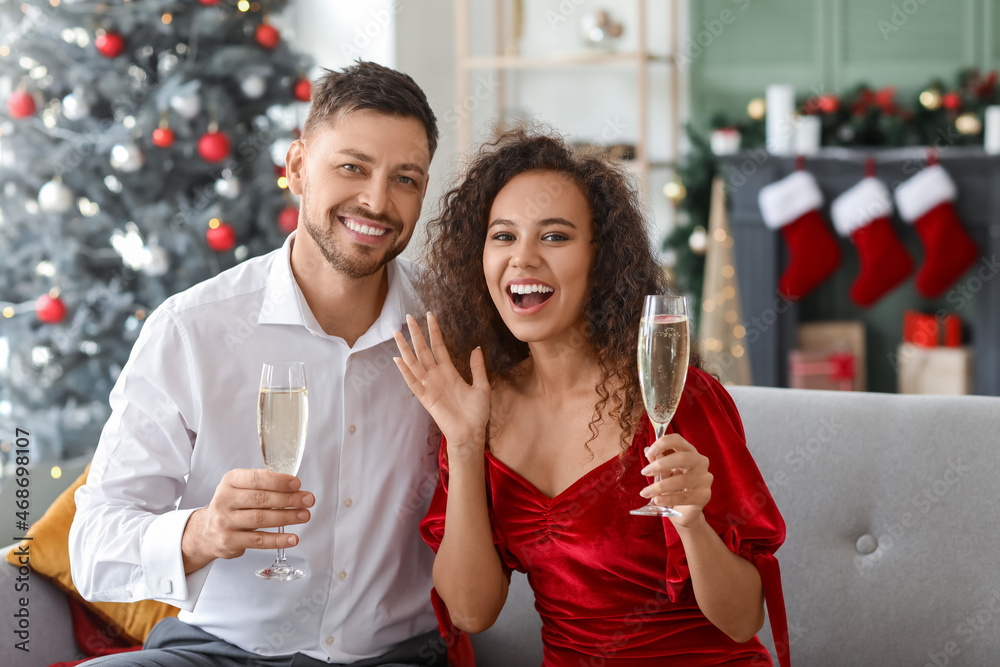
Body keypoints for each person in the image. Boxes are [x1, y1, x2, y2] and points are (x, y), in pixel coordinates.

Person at [69, 62, 449, 666]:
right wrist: (202, 533)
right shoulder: (192, 330)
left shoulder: (450, 330)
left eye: (405, 178)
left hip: (394, 657)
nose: (377, 201)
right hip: (216, 653)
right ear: (297, 167)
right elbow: (92, 546)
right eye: (351, 167)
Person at [392, 128, 789, 667]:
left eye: (554, 237)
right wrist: (463, 445)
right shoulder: (479, 405)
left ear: (599, 258)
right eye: (503, 236)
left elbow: (743, 620)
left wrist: (692, 521)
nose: (523, 258)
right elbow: (470, 612)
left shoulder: (672, 398)